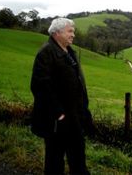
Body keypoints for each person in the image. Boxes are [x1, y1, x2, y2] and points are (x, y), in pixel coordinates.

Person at [30, 17, 94, 175]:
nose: (73, 35)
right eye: (70, 31)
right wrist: (58, 113)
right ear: (57, 33)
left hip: (75, 116)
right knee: (54, 160)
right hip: (57, 121)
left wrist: (84, 111)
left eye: (73, 32)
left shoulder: (70, 52)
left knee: (78, 158)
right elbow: (40, 86)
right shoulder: (46, 53)